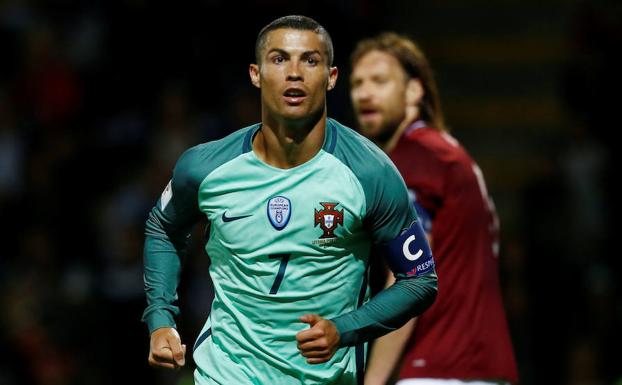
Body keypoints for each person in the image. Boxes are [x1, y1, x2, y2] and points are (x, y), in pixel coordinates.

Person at [142, 16, 438, 385]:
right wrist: (160, 319)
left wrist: (343, 330)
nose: (294, 73)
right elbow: (163, 227)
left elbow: (420, 279)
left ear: (331, 77)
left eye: (310, 61)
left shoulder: (369, 173)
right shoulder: (205, 168)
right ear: (255, 73)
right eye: (279, 59)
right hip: (225, 375)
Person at [350, 33, 518, 385]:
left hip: (438, 367)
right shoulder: (447, 154)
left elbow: (409, 278)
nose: (364, 93)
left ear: (414, 91)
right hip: (481, 364)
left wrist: (372, 381)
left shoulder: (416, 158)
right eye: (357, 83)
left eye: (379, 81)